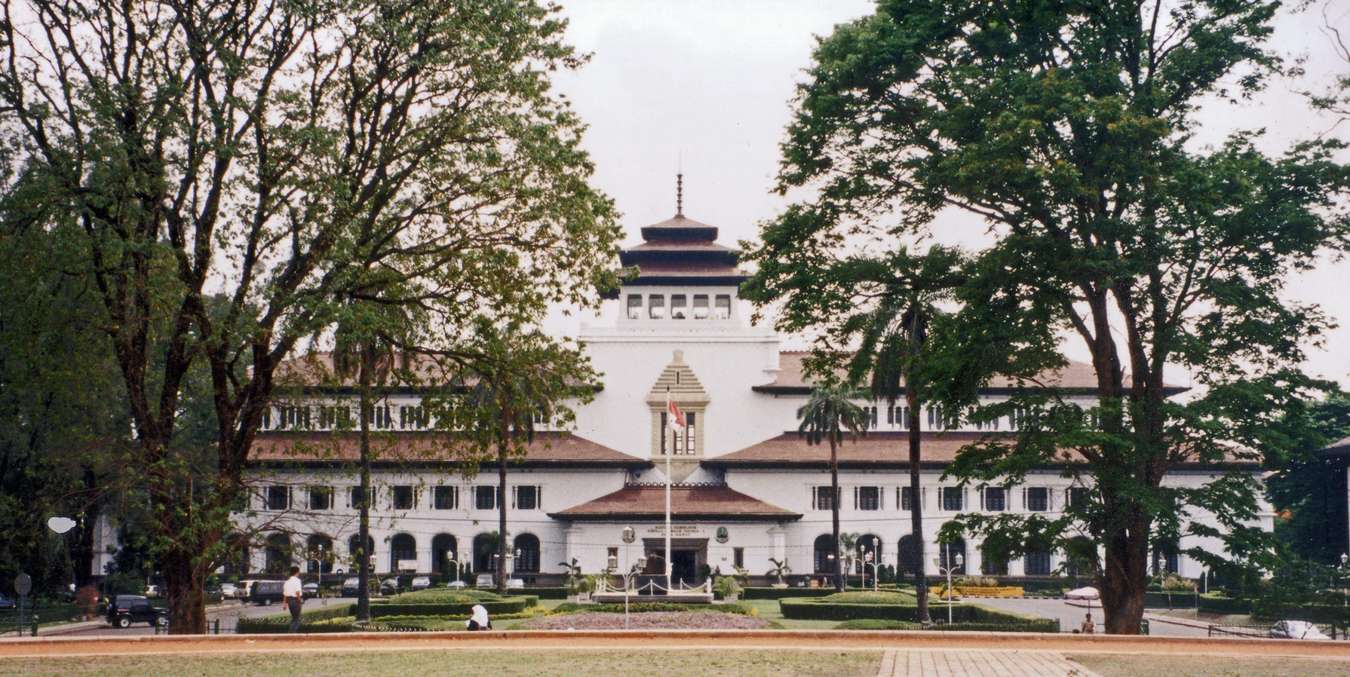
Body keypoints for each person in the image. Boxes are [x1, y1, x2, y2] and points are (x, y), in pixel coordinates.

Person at [284, 566, 304, 633]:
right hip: (295, 600)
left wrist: (285, 604)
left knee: (294, 618)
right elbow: (297, 592)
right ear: (297, 572)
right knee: (297, 619)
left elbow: (285, 594)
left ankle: (291, 632)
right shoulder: (297, 581)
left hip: (289, 601)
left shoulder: (287, 582)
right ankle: (292, 633)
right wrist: (300, 600)